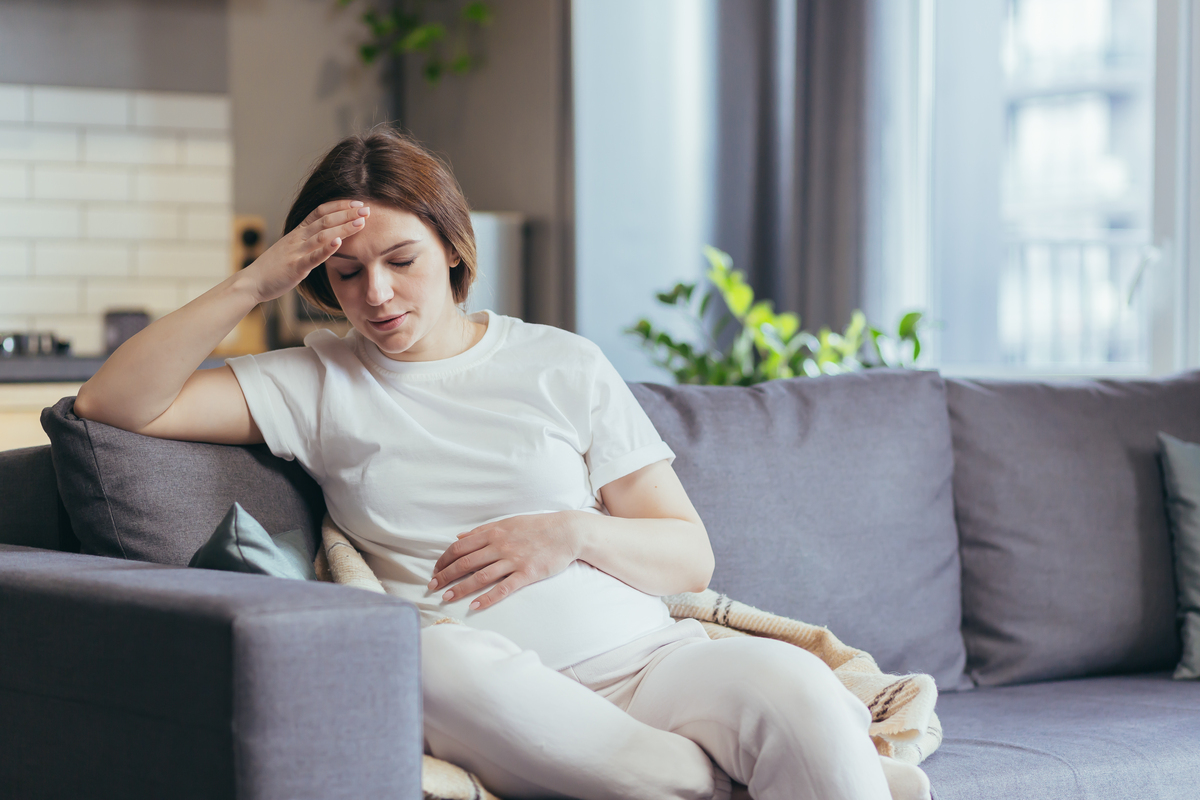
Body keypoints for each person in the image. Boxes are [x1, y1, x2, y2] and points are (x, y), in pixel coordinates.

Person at [74, 127, 930, 800]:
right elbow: (115, 403)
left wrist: (572, 533)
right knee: (419, 658)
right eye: (344, 274)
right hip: (480, 682)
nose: (376, 295)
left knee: (798, 691)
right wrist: (253, 283)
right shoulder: (315, 381)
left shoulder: (560, 363)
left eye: (400, 261)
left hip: (648, 659)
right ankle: (721, 784)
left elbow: (687, 554)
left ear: (452, 248)